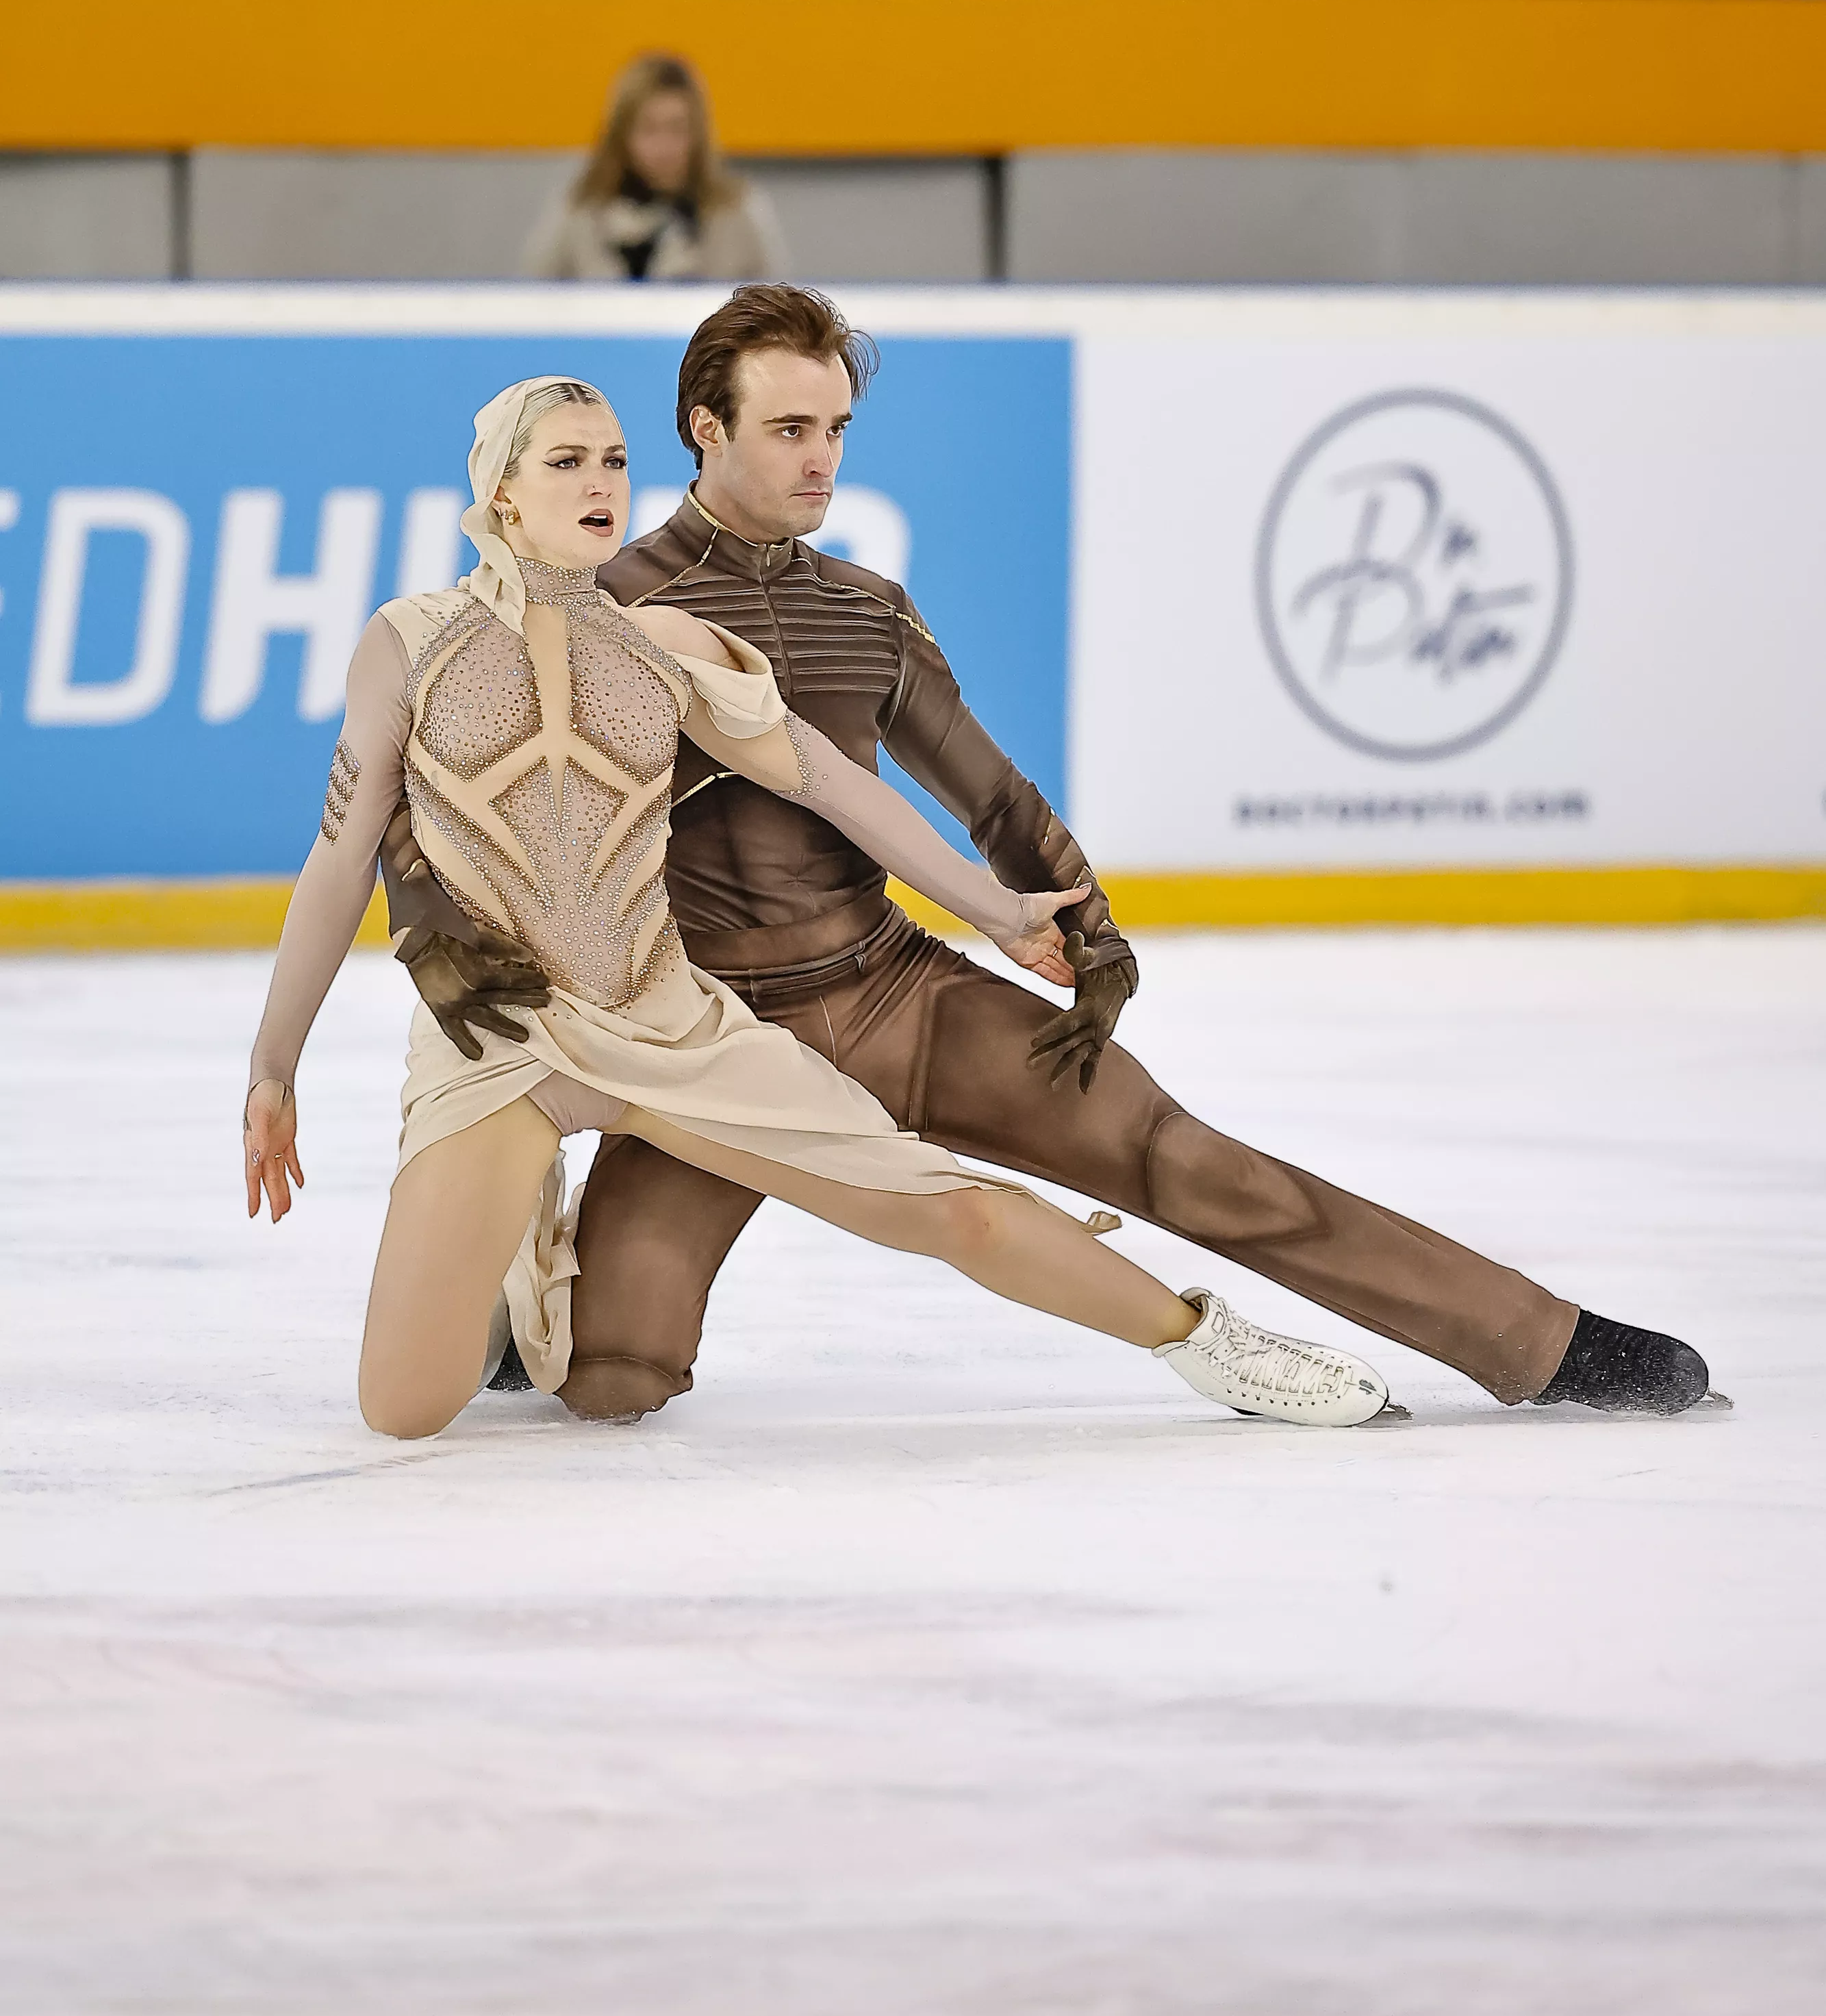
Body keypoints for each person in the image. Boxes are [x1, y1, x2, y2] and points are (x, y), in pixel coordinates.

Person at [385, 289, 1714, 1425]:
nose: (820, 459)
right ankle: (530, 1290)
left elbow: (986, 789)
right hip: (713, 1031)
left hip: (901, 991)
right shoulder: (603, 603)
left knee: (1188, 1157)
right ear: (704, 427)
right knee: (619, 1371)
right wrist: (424, 916)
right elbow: (420, 788)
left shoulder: (866, 608)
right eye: (789, 428)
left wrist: (1087, 926)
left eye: (836, 428)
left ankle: (1540, 1340)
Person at [244, 373, 1398, 1440]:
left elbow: (843, 792)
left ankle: (1215, 1345)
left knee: (951, 1210)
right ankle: (523, 1262)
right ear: (499, 489)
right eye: (565, 463)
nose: (601, 483)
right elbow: (341, 860)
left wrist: (991, 906)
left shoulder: (673, 651)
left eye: (611, 460)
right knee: (407, 1409)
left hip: (671, 1030)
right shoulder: (408, 645)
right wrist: (272, 1070)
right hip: (498, 1043)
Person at [522, 51, 786, 284]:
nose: (664, 146)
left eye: (677, 128)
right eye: (649, 129)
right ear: (621, 135)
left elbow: (779, 320)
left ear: (699, 135)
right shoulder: (580, 211)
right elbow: (534, 306)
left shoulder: (737, 212)